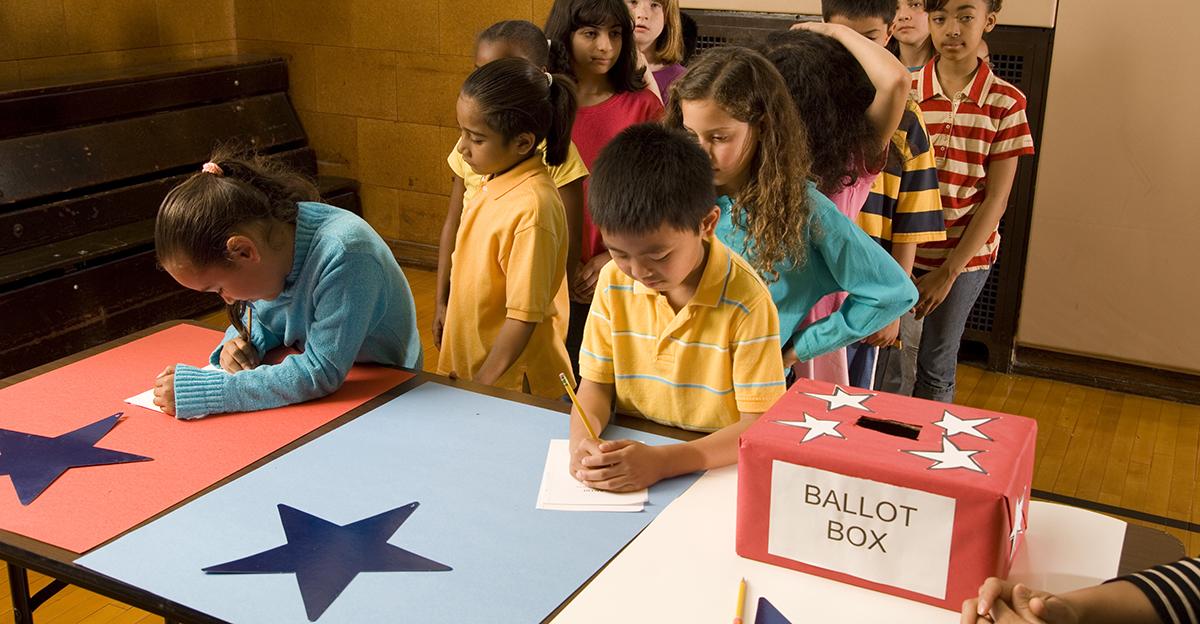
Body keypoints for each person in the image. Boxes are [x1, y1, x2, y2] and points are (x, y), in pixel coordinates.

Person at [666, 45, 916, 384]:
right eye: (691, 135)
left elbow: (891, 292)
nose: (702, 151)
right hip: (663, 382)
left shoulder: (803, 210)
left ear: (763, 127)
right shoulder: (674, 194)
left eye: (719, 137)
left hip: (749, 392)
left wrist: (797, 348)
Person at [568, 124, 785, 491]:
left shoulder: (747, 301)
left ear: (707, 224)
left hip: (714, 467)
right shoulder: (613, 281)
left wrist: (663, 463)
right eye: (619, 253)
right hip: (637, 449)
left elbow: (759, 423)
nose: (638, 272)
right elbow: (595, 387)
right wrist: (581, 445)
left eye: (659, 255)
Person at [152, 151, 421, 419]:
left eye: (219, 289)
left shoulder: (347, 254)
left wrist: (207, 391)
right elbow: (266, 313)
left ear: (244, 251)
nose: (229, 300)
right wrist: (243, 341)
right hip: (337, 382)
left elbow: (320, 372)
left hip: (393, 391)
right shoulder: (273, 244)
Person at [434, 20, 590, 353]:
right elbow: (455, 224)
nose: (491, 84)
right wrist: (442, 300)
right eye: (481, 71)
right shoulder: (477, 151)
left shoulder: (538, 191)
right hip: (476, 319)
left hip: (516, 329)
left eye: (504, 71)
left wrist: (552, 308)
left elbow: (564, 249)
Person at [910, 0, 1034, 402]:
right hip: (901, 253)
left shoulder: (1006, 102)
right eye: (940, 18)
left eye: (966, 17)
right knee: (890, 360)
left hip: (964, 258)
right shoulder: (906, 88)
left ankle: (926, 458)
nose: (951, 30)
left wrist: (947, 273)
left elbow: (996, 201)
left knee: (936, 364)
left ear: (989, 22)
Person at [545, 0, 664, 376]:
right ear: (565, 35)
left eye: (615, 34)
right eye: (590, 33)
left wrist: (612, 258)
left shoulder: (643, 107)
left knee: (603, 381)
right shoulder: (544, 102)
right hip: (546, 270)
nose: (605, 47)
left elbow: (659, 196)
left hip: (615, 270)